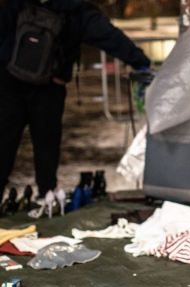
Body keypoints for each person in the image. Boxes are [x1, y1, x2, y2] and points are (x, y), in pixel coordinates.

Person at [0, 0, 151, 201]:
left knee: (4, 142)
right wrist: (140, 62)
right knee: (46, 144)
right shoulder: (76, 10)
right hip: (49, 85)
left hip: (10, 81)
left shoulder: (21, 4)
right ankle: (46, 197)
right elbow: (109, 37)